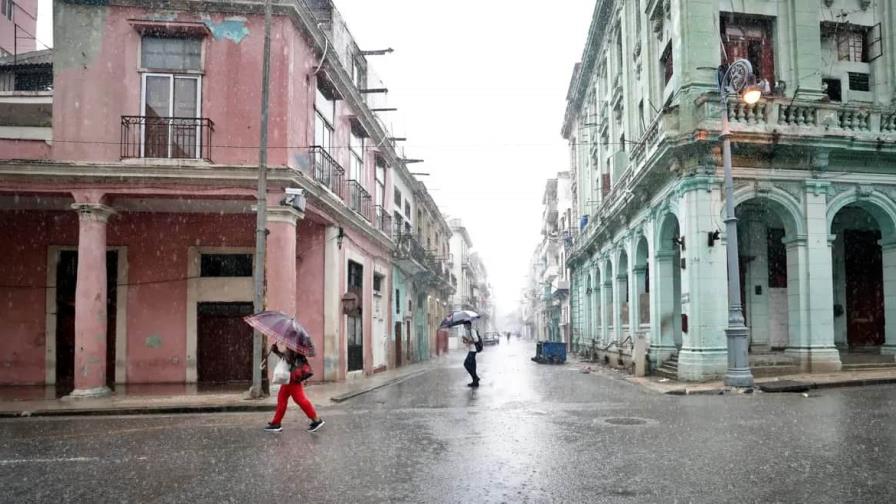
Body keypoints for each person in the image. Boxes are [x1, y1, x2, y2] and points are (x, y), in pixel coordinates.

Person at [264, 343, 324, 433]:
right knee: (282, 399)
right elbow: (287, 359)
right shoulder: (292, 344)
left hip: (293, 379)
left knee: (300, 400)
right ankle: (276, 423)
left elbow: (289, 360)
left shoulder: (294, 345)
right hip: (289, 378)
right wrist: (276, 351)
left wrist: (277, 351)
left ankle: (316, 420)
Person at [461, 322, 481, 388]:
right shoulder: (469, 331)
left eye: (465, 325)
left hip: (473, 350)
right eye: (464, 326)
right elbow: (468, 341)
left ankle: (475, 377)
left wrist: (468, 340)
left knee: (466, 364)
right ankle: (475, 382)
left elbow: (476, 340)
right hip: (471, 350)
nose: (464, 327)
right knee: (473, 366)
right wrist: (464, 340)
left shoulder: (472, 331)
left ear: (468, 325)